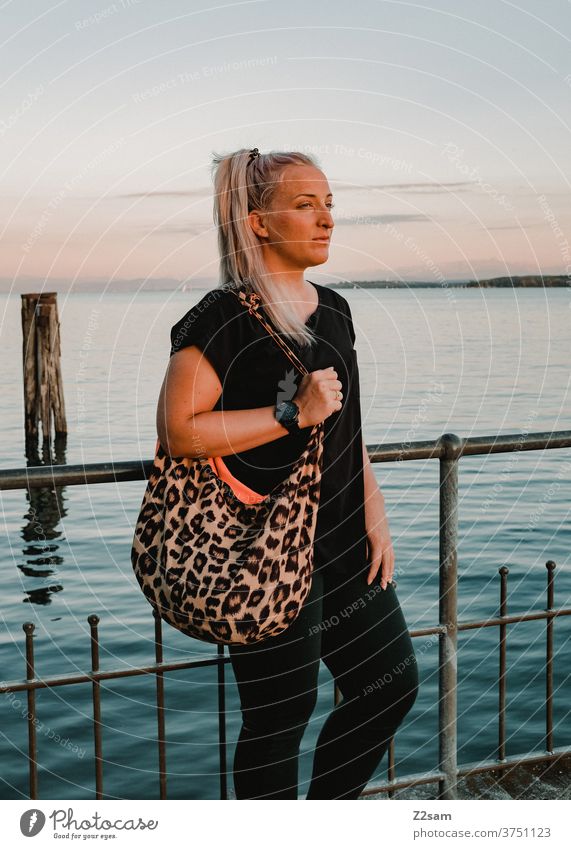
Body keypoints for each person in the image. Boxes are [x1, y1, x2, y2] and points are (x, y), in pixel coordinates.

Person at [157, 147, 419, 799]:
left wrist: (374, 510)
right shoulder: (220, 317)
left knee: (388, 685)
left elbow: (345, 425)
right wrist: (289, 414)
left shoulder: (334, 309)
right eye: (305, 205)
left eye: (330, 204)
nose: (326, 218)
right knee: (279, 719)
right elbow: (179, 430)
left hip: (343, 538)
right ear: (258, 223)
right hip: (263, 546)